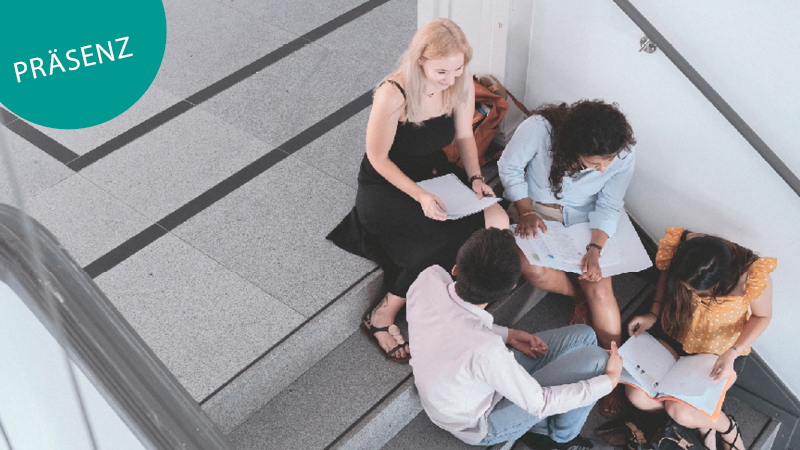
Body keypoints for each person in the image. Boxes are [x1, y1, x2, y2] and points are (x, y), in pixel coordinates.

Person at [327, 18, 508, 363]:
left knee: (497, 220)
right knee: (444, 238)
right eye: (443, 72)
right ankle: (383, 313)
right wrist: (421, 195)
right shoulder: (392, 94)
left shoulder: (460, 83)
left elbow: (466, 136)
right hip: (388, 184)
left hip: (433, 171)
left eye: (458, 69)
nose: (451, 79)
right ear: (420, 59)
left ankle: (456, 301)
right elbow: (378, 159)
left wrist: (474, 179)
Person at [407, 228, 622, 448]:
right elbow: (540, 402)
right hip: (480, 423)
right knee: (598, 360)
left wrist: (509, 334)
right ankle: (561, 438)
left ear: (455, 267)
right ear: (510, 289)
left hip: (468, 381)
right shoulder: (486, 350)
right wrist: (609, 382)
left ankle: (550, 424)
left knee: (584, 335)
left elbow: (455, 322)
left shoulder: (429, 278)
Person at [497, 100, 636, 416]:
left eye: (609, 161)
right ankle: (581, 297)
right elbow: (510, 168)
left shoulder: (622, 153)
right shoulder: (539, 130)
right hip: (536, 214)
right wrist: (525, 211)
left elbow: (610, 204)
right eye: (596, 163)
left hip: (587, 222)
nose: (604, 169)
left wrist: (595, 249)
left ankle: (610, 374)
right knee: (533, 269)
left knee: (601, 288)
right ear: (573, 149)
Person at [626, 228, 775, 450]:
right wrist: (653, 314)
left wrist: (732, 353)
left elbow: (762, 316)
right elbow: (665, 278)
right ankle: (699, 420)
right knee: (637, 395)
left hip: (719, 353)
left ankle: (727, 428)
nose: (686, 290)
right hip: (676, 335)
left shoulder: (752, 276)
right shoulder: (687, 251)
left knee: (681, 412)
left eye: (696, 290)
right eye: (685, 286)